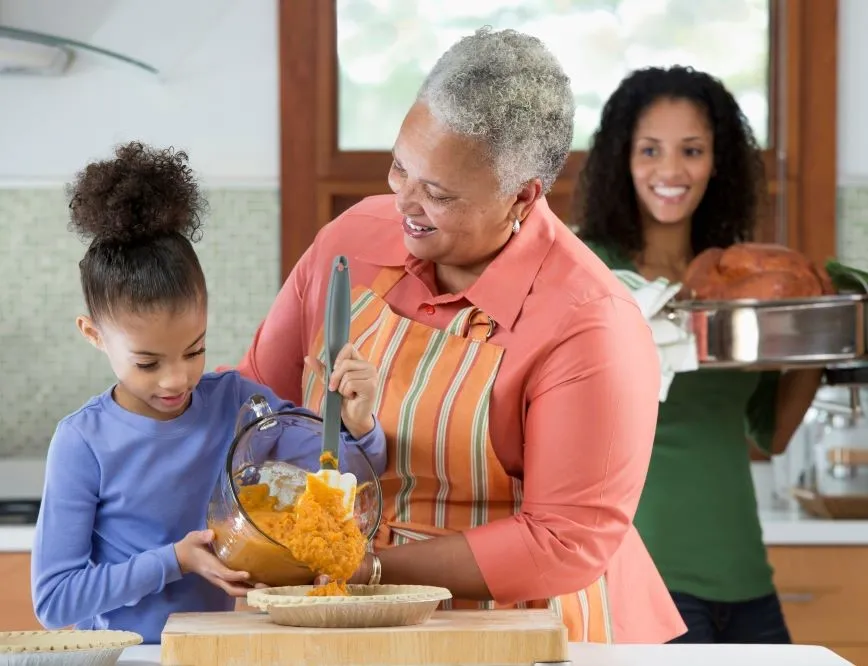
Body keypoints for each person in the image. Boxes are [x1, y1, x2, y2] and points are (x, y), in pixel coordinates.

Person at [232, 28, 685, 643]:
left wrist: (365, 569)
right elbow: (254, 406)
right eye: (400, 167)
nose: (403, 204)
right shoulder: (351, 242)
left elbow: (561, 542)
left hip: (522, 631)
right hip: (344, 613)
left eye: (437, 194)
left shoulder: (590, 323)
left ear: (522, 195)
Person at [31, 141, 387, 644]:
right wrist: (174, 560)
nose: (176, 379)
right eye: (147, 363)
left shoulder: (239, 406)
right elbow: (55, 600)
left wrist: (358, 423)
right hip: (127, 659)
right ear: (93, 334)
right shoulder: (82, 442)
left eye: (194, 350)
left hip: (220, 649)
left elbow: (343, 474)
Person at [575, 65, 822, 643]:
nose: (670, 171)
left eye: (691, 150)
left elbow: (772, 433)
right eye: (650, 150)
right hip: (645, 584)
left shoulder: (739, 281)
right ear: (621, 158)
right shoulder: (589, 269)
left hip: (747, 583)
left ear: (718, 161)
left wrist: (817, 335)